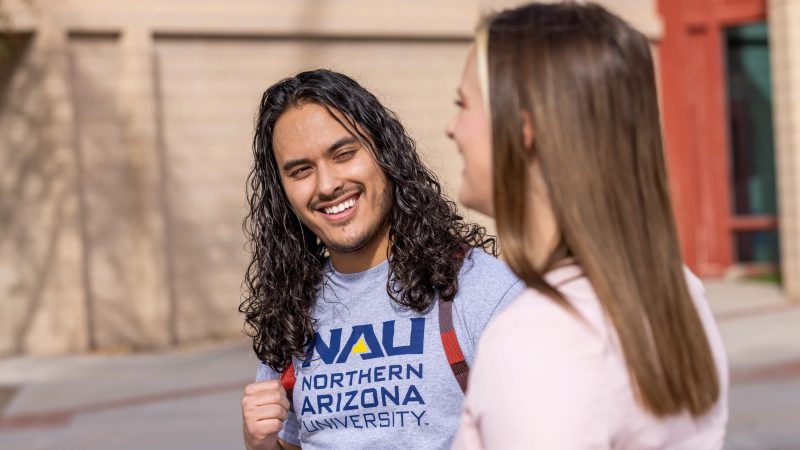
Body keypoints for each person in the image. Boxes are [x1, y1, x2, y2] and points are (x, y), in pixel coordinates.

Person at [446, 2, 729, 449]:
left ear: (523, 130)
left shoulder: (538, 337)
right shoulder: (677, 291)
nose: (452, 128)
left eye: (464, 104)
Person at [239, 69, 523, 450]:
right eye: (301, 170)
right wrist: (262, 444)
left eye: (343, 154)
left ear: (384, 155)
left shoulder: (486, 293)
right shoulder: (294, 309)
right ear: (282, 192)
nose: (327, 185)